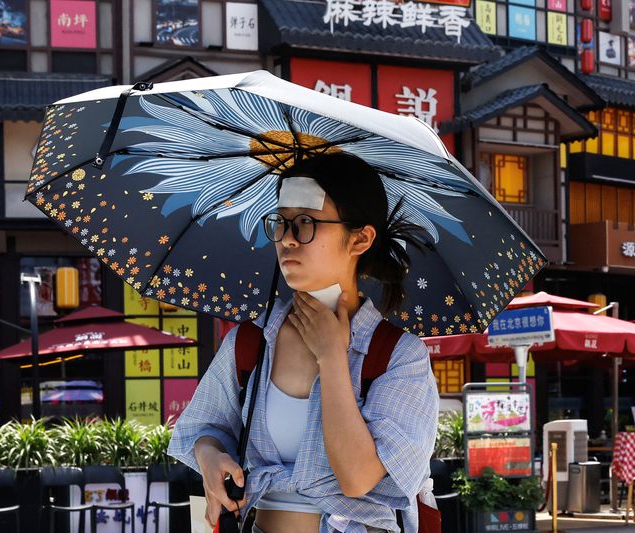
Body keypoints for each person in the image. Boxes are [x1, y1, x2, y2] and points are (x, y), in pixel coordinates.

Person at [167, 152, 439, 533]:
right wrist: (209, 456)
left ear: (360, 238)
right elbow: (205, 428)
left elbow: (357, 478)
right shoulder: (251, 341)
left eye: (307, 223)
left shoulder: (398, 356)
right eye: (281, 222)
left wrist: (331, 357)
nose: (288, 240)